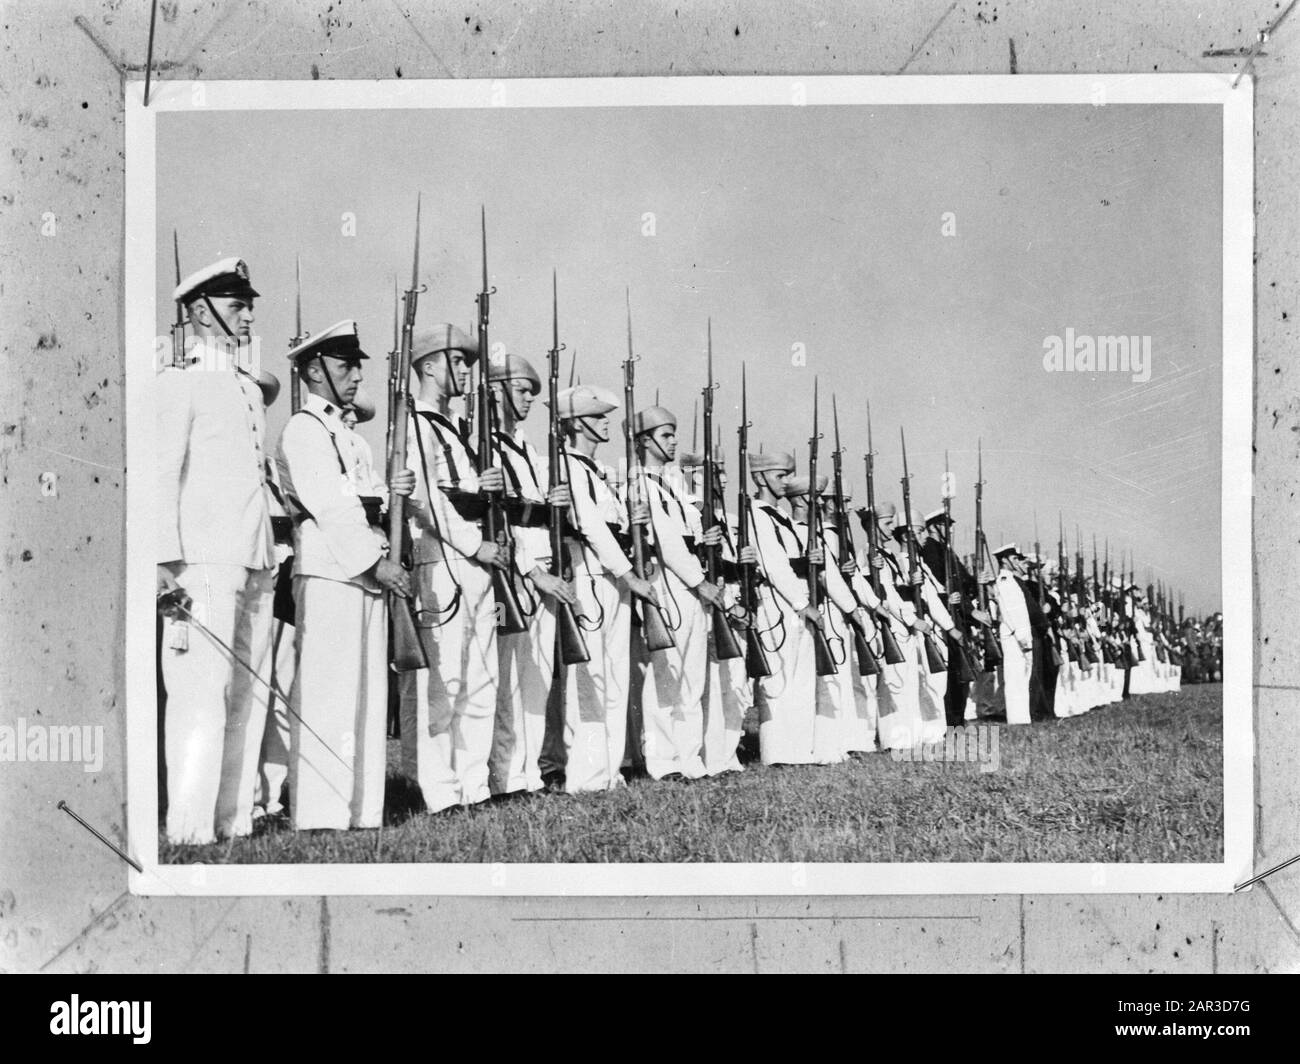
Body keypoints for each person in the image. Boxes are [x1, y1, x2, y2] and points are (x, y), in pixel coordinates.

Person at [156, 256, 279, 844]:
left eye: (249, 304)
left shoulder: (247, 388)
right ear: (201, 312)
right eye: (237, 305)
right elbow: (159, 474)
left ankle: (232, 818)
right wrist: (160, 562)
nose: (248, 315)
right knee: (201, 694)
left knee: (247, 694)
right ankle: (188, 828)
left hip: (252, 557)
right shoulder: (181, 380)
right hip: (200, 562)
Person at [276, 320, 414, 831]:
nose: (355, 374)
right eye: (343, 365)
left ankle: (361, 809)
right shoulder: (304, 429)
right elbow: (332, 508)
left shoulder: (350, 437)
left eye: (357, 365)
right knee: (328, 694)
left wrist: (396, 492)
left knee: (365, 697)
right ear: (314, 371)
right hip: (334, 571)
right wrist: (377, 562)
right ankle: (319, 813)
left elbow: (367, 499)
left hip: (364, 572)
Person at [400, 323, 506, 814]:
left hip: (475, 560)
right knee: (442, 684)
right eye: (456, 361)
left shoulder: (455, 430)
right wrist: (472, 544)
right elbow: (422, 499)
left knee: (480, 680)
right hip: (443, 559)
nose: (464, 371)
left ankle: (473, 785)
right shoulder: (417, 425)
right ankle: (440, 792)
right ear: (428, 366)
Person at [555, 384, 659, 792]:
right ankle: (584, 774)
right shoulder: (569, 466)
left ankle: (609, 770)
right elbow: (591, 528)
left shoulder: (598, 472)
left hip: (613, 580)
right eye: (597, 417)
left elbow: (612, 524)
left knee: (615, 678)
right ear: (577, 423)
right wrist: (628, 573)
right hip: (590, 576)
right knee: (590, 681)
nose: (605, 423)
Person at [486, 351, 578, 798]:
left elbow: (538, 510)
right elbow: (498, 516)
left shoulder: (529, 449)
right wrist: (529, 570)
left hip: (541, 562)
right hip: (515, 568)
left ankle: (530, 773)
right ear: (498, 389)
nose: (527, 400)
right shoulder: (484, 443)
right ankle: (504, 775)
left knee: (537, 678)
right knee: (509, 678)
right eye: (521, 390)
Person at [629, 405, 724, 780]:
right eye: (665, 435)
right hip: (668, 584)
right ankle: (663, 761)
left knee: (691, 678)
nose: (673, 442)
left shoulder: (671, 485)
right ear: (644, 440)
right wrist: (699, 582)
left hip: (689, 583)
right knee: (666, 678)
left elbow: (685, 534)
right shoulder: (639, 483)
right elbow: (667, 542)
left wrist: (706, 539)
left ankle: (690, 758)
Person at [746, 451, 826, 765]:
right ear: (760, 477)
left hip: (796, 597)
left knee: (801, 676)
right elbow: (774, 565)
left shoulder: (783, 519)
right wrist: (802, 603)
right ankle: (777, 752)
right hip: (778, 601)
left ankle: (798, 749)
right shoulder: (757, 514)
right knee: (778, 678)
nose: (786, 482)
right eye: (780, 475)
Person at [992, 544, 1034, 725]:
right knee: (1015, 677)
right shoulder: (1004, 581)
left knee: (1022, 676)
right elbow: (1010, 613)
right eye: (1014, 558)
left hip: (1021, 634)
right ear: (1004, 560)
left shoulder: (1012, 581)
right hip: (1013, 636)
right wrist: (1021, 637)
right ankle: (1017, 718)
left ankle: (1022, 717)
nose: (1017, 562)